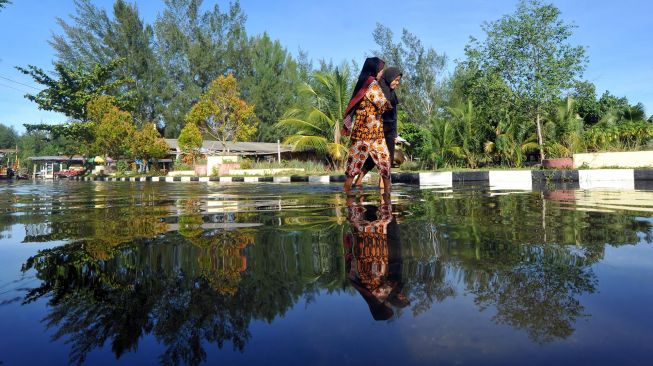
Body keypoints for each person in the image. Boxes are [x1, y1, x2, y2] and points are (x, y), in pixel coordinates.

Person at [343, 200, 409, 320]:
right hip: (368, 255)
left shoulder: (379, 296)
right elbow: (350, 272)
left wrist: (395, 290)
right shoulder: (365, 292)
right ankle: (363, 201)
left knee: (376, 227)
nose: (390, 304)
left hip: (375, 255)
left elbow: (391, 283)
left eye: (389, 307)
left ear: (383, 308)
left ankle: (378, 197)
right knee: (368, 227)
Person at [343, 57, 393, 197]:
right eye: (381, 69)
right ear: (374, 70)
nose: (382, 73)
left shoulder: (363, 84)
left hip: (367, 133)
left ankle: (346, 196)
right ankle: (387, 197)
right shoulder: (372, 85)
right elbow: (383, 105)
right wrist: (389, 101)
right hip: (368, 134)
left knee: (353, 170)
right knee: (384, 165)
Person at [354, 67, 402, 188]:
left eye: (398, 81)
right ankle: (360, 181)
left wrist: (395, 134)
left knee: (388, 159)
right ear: (389, 78)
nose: (396, 83)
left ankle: (383, 187)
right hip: (378, 130)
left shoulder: (392, 94)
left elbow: (394, 115)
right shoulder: (377, 90)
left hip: (390, 131)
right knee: (374, 158)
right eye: (395, 80)